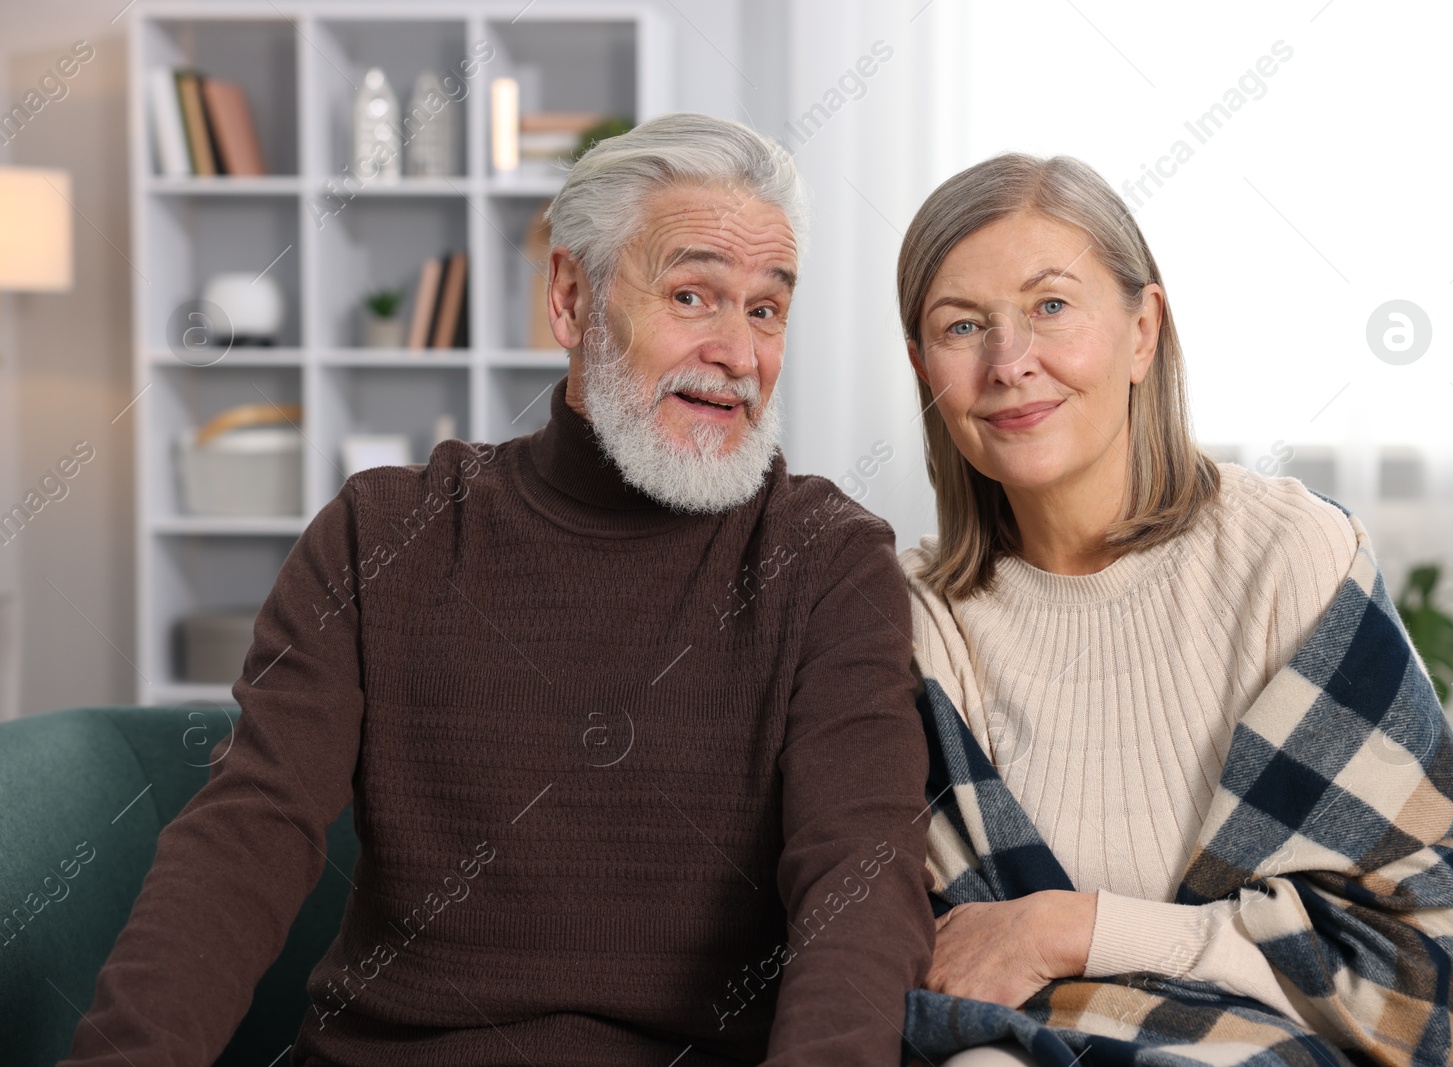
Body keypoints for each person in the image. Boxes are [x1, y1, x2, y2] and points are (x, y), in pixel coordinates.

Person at [60, 114, 934, 1067]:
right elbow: (248, 836)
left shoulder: (827, 559)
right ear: (570, 298)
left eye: (767, 311)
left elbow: (859, 874)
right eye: (693, 295)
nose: (739, 353)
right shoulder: (384, 532)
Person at [893, 153, 1453, 1065]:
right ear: (925, 370)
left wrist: (1073, 929)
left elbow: (1422, 970)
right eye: (962, 326)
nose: (1010, 362)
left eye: (1051, 306)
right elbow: (922, 965)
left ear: (1143, 329)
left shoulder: (1289, 557)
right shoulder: (916, 628)